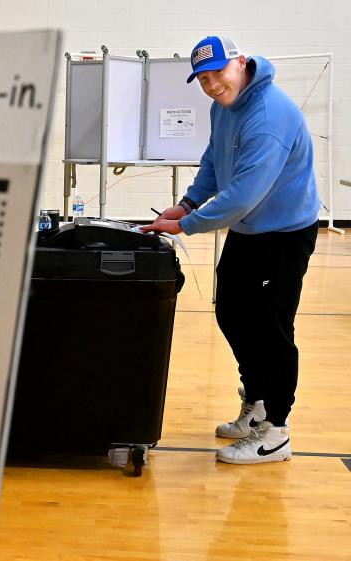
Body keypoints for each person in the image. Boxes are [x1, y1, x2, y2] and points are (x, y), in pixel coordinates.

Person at [141, 36, 320, 464]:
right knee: (233, 313)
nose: (211, 85)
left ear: (240, 63)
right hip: (249, 230)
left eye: (218, 73)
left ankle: (276, 430)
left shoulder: (266, 117)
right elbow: (214, 160)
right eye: (202, 78)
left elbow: (241, 195)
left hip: (284, 233)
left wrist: (186, 224)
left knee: (272, 327)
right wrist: (186, 202)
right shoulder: (224, 106)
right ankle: (256, 401)